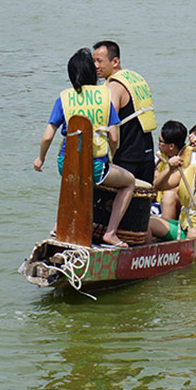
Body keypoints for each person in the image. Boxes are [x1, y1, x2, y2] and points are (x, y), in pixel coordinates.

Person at [34, 48, 135, 247]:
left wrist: (40, 159)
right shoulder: (105, 97)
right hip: (97, 167)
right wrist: (111, 157)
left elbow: (47, 137)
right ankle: (111, 233)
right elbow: (114, 137)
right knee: (129, 182)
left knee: (74, 182)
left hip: (67, 165)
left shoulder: (63, 98)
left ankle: (58, 226)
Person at [92, 40, 157, 183]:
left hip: (126, 158)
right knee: (143, 201)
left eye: (99, 61)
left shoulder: (113, 87)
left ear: (115, 61)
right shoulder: (135, 78)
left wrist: (110, 158)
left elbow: (110, 126)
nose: (95, 66)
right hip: (147, 155)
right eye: (93, 61)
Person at [153, 120, 191, 217]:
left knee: (169, 194)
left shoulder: (191, 156)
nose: (158, 143)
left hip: (179, 202)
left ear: (171, 146)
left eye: (161, 141)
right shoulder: (160, 156)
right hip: (159, 200)